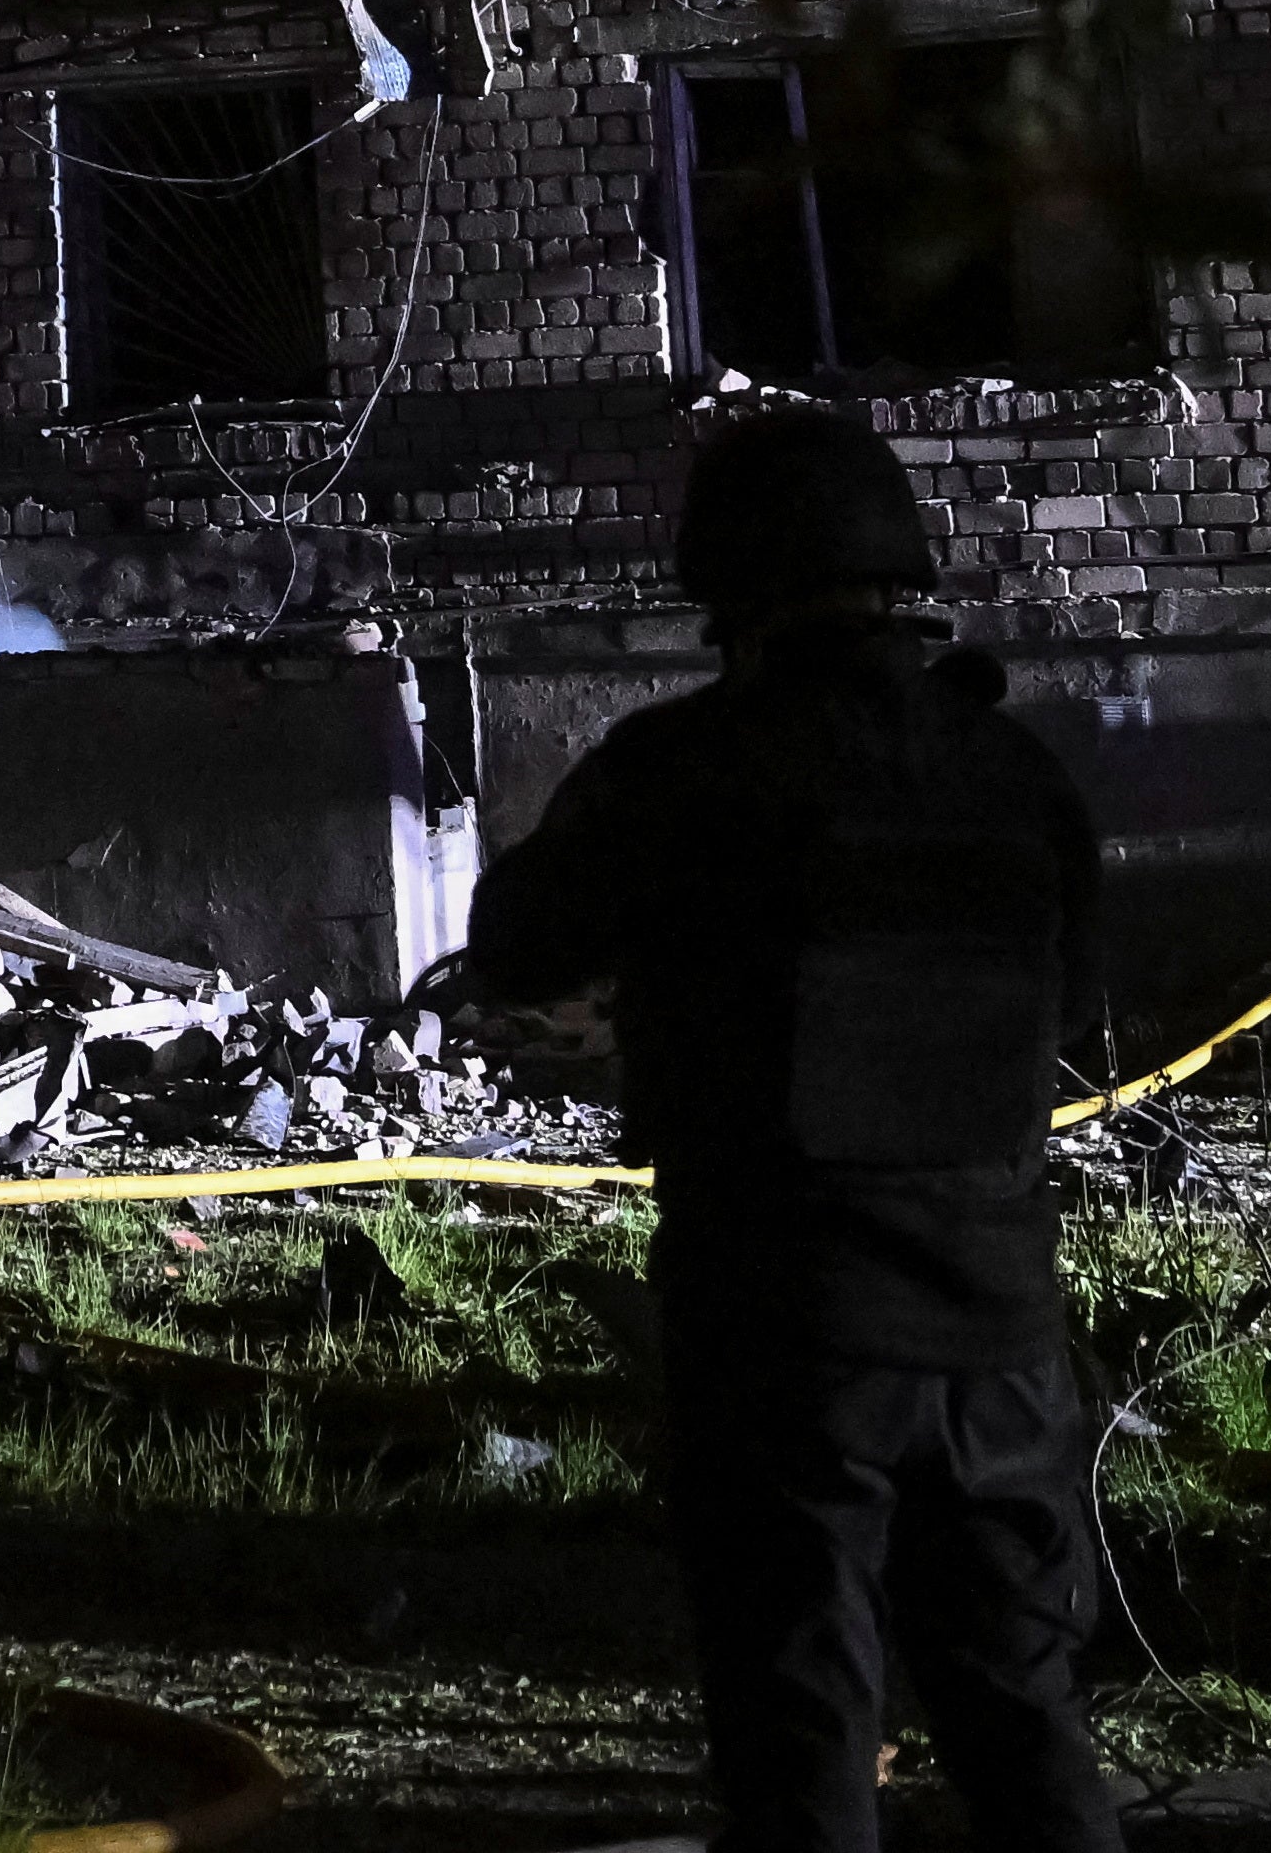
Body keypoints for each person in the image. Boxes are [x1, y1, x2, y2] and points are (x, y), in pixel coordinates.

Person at [441, 406, 1125, 1853]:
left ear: (727, 587)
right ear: (901, 574)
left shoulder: (684, 765)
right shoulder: (1015, 774)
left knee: (803, 1723)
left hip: (787, 1326)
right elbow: (1070, 1011)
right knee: (1022, 1714)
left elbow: (515, 950)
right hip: (1001, 1329)